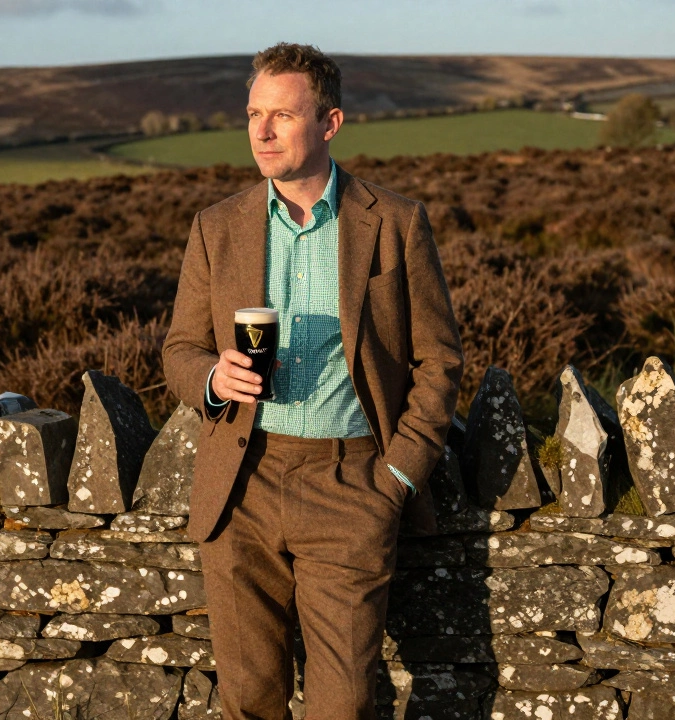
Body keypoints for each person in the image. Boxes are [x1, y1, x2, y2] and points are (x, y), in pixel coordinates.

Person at [162, 42, 464, 720]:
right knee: (249, 702)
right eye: (252, 115)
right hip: (242, 484)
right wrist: (214, 377)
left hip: (351, 484)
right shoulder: (217, 228)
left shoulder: (394, 222)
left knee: (345, 704)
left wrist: (397, 477)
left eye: (282, 116)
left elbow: (439, 359)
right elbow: (179, 349)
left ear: (330, 123)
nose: (261, 133)